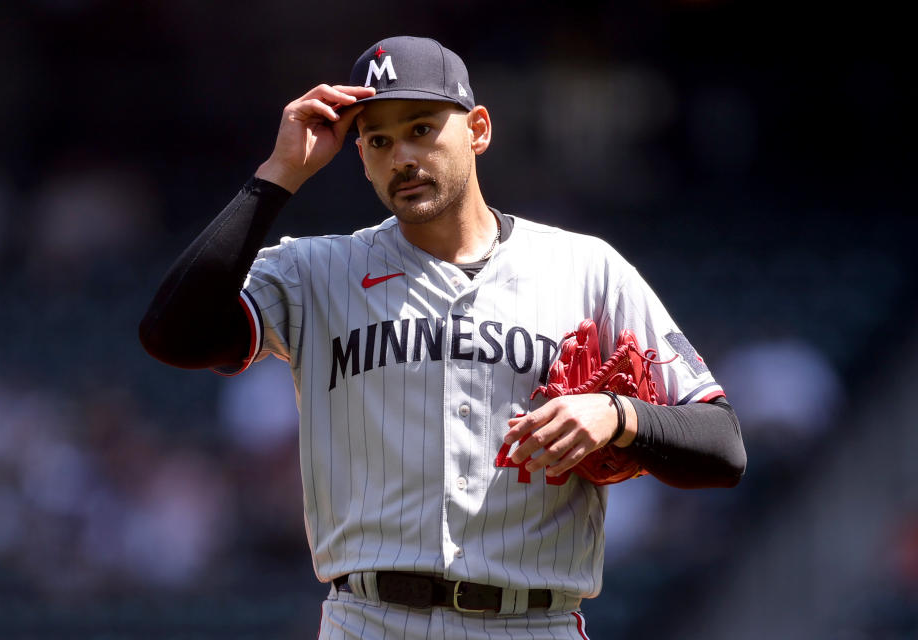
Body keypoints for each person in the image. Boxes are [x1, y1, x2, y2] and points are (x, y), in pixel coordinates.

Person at [140, 35, 746, 640]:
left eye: (422, 128)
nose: (401, 155)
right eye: (378, 140)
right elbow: (172, 335)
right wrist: (279, 174)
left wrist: (618, 415)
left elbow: (723, 447)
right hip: (370, 620)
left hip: (536, 622)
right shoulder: (314, 271)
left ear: (477, 129)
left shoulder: (586, 268)